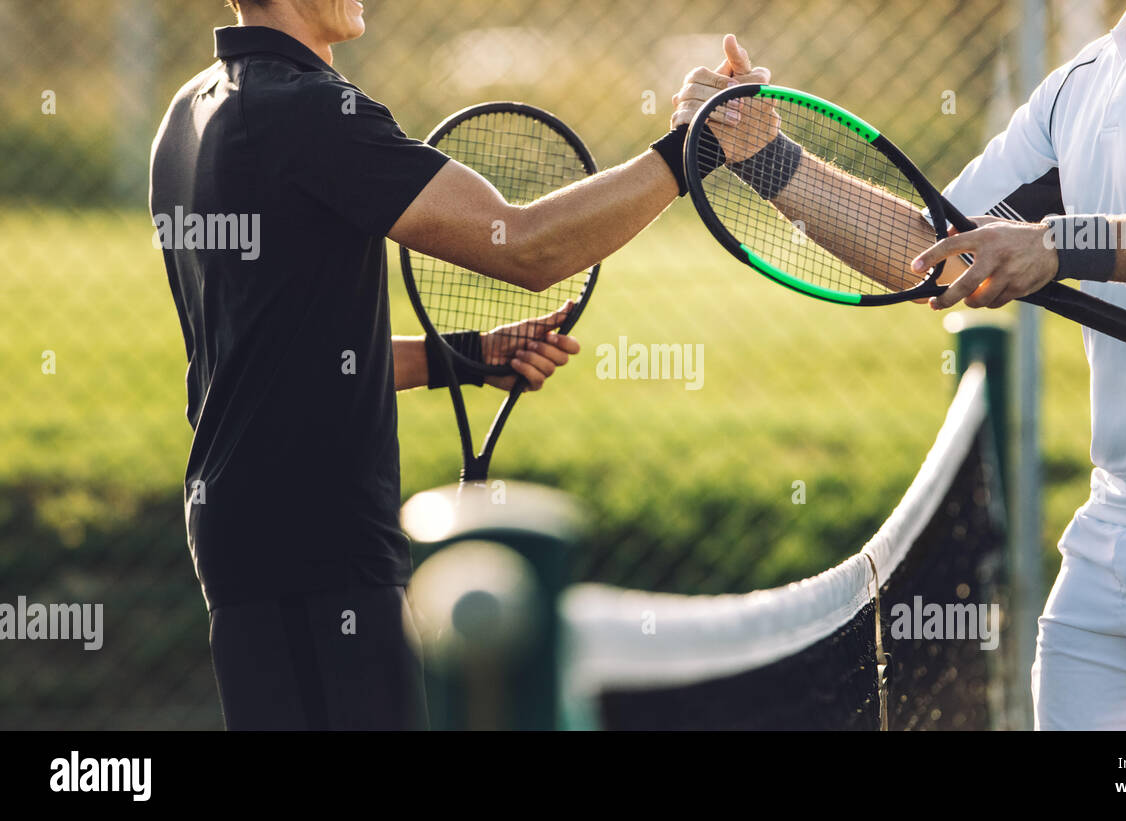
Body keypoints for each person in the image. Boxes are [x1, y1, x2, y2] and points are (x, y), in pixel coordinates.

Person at [149, 0, 758, 729]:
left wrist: (467, 358)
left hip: (246, 535)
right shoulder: (306, 109)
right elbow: (527, 247)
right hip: (318, 545)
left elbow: (271, 360)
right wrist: (691, 150)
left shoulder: (190, 112)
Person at [679, 2, 1126, 729]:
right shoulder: (1078, 83)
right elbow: (930, 251)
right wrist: (763, 156)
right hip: (1114, 534)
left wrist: (1062, 243)